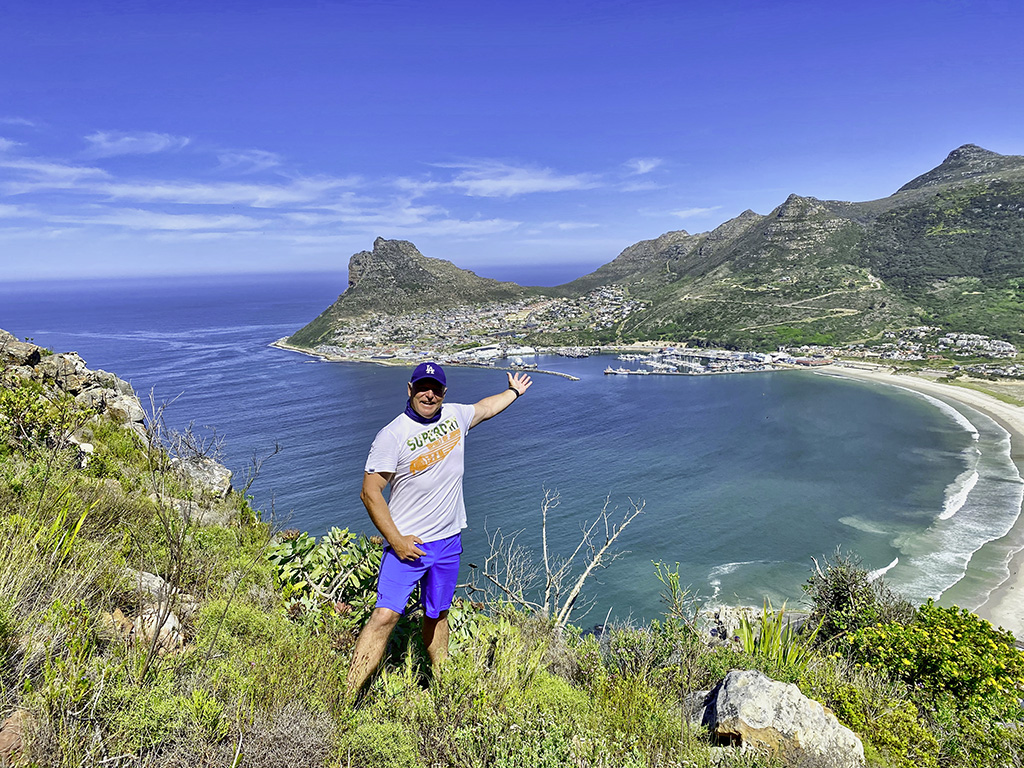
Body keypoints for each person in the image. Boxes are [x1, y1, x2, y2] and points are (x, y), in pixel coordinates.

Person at [345, 361, 532, 698]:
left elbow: (486, 408)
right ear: (410, 390)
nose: (428, 395)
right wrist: (396, 541)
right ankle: (346, 696)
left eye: (435, 389)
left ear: (444, 393)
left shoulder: (455, 416)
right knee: (385, 616)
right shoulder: (392, 435)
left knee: (438, 614)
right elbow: (370, 492)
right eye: (422, 388)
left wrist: (513, 392)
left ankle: (444, 688)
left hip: (447, 543)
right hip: (408, 546)